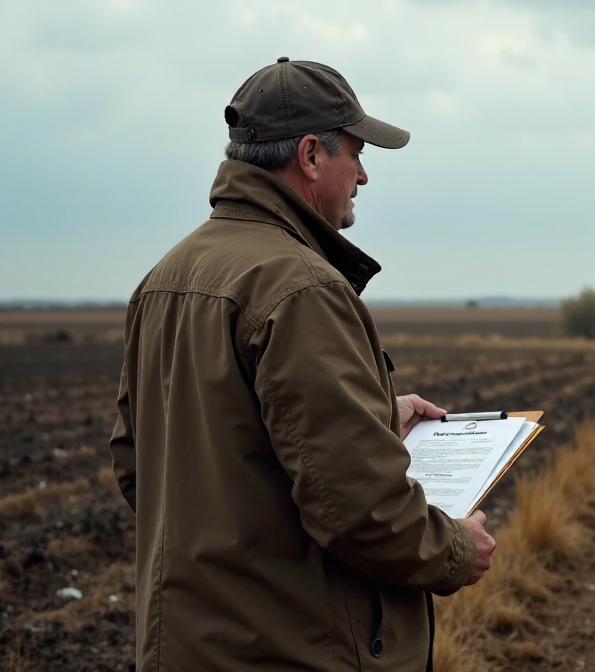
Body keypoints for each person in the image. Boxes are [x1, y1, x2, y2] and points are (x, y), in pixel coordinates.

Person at [108, 57, 495, 671]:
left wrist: (371, 418)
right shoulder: (302, 288)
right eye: (356, 153)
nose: (363, 175)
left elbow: (142, 464)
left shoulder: (163, 279)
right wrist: (455, 549)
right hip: (293, 652)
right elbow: (359, 511)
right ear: (311, 155)